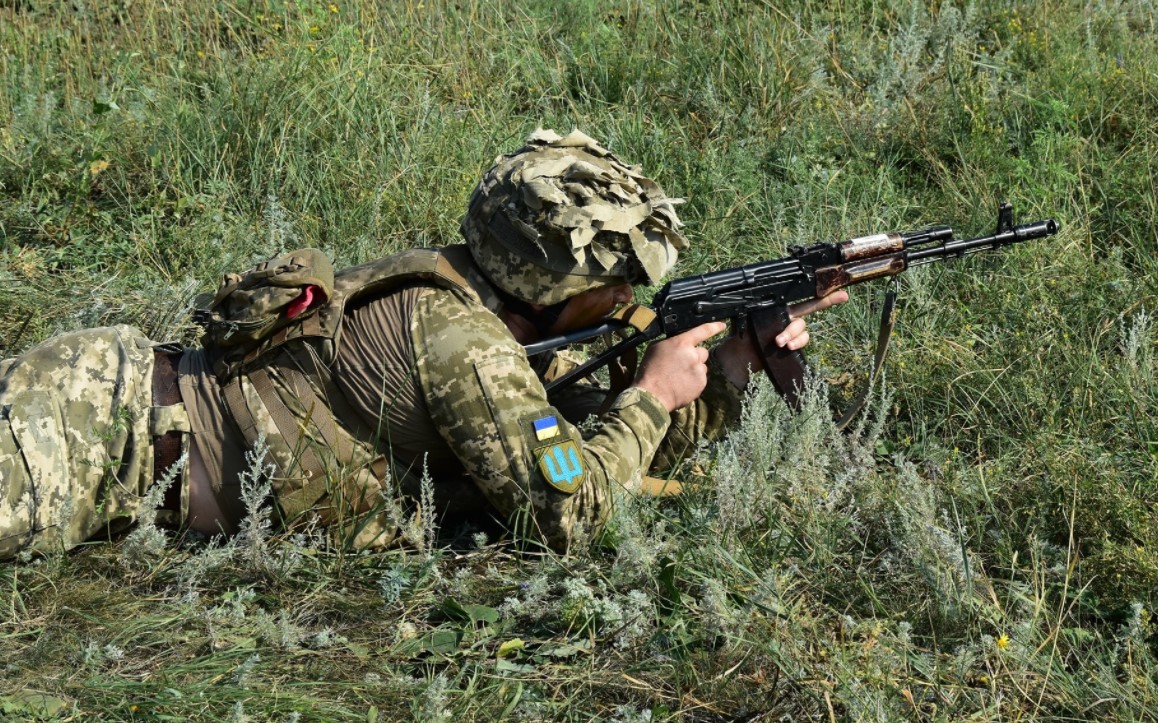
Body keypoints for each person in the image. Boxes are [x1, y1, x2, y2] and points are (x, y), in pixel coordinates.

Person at [0, 129, 846, 559]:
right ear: (548, 285)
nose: (628, 299)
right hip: (94, 432)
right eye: (613, 280)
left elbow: (599, 443)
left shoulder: (481, 297)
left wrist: (727, 374)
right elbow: (570, 512)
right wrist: (654, 392)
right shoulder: (466, 345)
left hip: (114, 415)